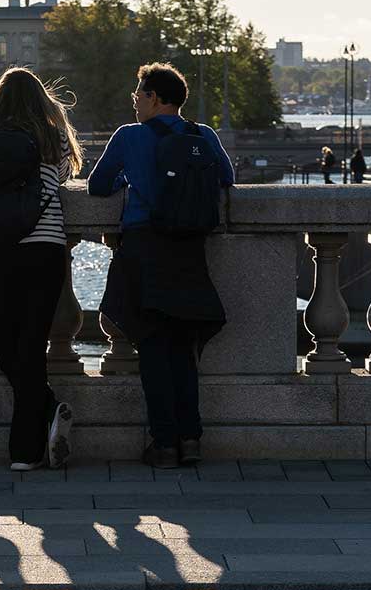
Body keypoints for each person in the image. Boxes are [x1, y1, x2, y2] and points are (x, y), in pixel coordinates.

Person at [89, 63, 234, 470]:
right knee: (184, 346)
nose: (134, 102)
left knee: (152, 346)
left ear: (154, 97)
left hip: (144, 246)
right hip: (189, 249)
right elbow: (226, 177)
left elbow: (98, 185)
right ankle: (192, 440)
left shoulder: (129, 136)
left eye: (138, 95)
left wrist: (129, 180)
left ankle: (164, 442)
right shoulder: (202, 135)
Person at [0, 67, 83, 472]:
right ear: (40, 98)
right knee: (33, 341)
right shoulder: (49, 132)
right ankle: (32, 439)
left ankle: (32, 437)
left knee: (7, 344)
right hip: (43, 245)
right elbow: (62, 176)